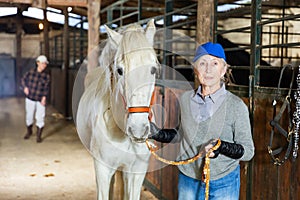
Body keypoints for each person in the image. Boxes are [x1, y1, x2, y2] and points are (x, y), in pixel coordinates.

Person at [149, 42, 255, 200]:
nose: (208, 69)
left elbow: (248, 151)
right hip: (188, 178)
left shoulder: (236, 106)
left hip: (223, 181)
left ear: (223, 70)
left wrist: (223, 147)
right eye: (202, 63)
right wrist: (157, 133)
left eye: (215, 63)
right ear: (195, 68)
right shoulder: (185, 100)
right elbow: (182, 135)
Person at [21, 55, 50, 143]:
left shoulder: (46, 76)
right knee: (29, 116)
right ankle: (29, 131)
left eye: (45, 64)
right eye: (42, 63)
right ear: (37, 63)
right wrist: (25, 87)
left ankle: (38, 136)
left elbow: (46, 87)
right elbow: (23, 79)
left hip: (40, 99)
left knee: (40, 117)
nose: (44, 65)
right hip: (30, 98)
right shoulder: (30, 73)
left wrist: (44, 97)